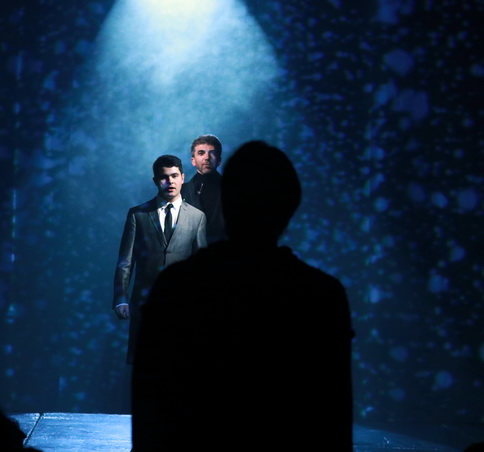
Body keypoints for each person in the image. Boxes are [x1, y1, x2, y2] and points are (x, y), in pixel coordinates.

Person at [132, 141, 355, 451]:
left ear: (226, 200)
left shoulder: (177, 287)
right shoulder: (320, 296)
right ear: (290, 205)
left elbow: (150, 407)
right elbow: (334, 420)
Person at [113, 154, 207, 365]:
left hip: (183, 304)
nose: (170, 181)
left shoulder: (197, 217)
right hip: (145, 303)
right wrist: (121, 297)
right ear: (156, 180)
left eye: (174, 176)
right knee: (145, 363)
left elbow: (202, 267)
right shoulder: (138, 215)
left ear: (182, 178)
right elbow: (125, 261)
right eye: (164, 177)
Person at [180, 134, 227, 244]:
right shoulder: (180, 192)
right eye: (201, 153)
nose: (207, 157)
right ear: (193, 161)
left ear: (219, 160)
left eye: (212, 153)